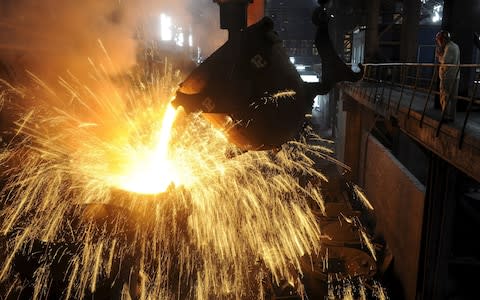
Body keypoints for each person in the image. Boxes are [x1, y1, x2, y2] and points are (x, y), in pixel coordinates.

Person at [435, 30, 460, 122]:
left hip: (448, 76)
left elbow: (445, 61)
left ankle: (445, 116)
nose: (438, 42)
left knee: (445, 96)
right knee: (453, 98)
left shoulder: (449, 47)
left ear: (442, 39)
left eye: (439, 40)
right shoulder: (455, 46)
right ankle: (451, 116)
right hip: (455, 75)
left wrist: (439, 56)